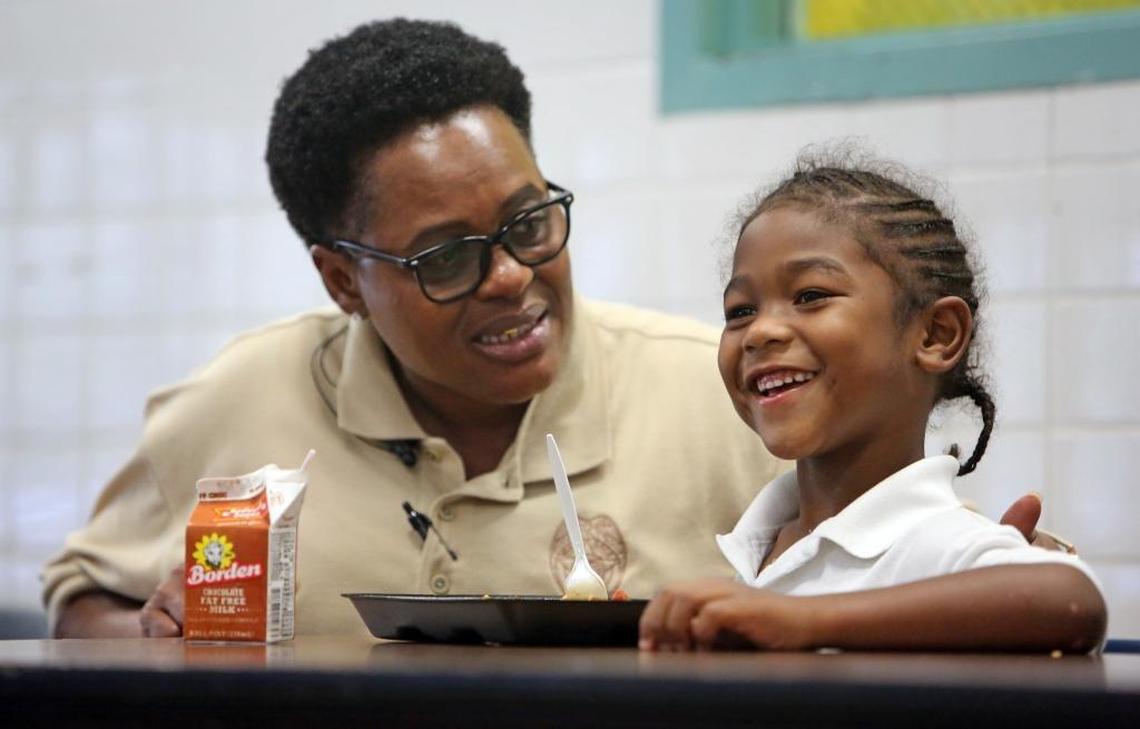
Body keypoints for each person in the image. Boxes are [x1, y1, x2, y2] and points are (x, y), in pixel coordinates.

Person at [42, 19, 1053, 640]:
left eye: (529, 221)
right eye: (445, 257)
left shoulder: (723, 398)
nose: (515, 277)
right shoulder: (236, 404)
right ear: (342, 281)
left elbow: (919, 578)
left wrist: (977, 580)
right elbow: (82, 600)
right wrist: (139, 628)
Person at [638, 158, 1107, 653]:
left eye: (811, 295)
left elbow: (1071, 601)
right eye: (741, 311)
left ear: (935, 334)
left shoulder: (938, 542)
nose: (760, 331)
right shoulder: (759, 549)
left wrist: (802, 620)